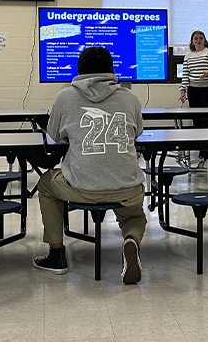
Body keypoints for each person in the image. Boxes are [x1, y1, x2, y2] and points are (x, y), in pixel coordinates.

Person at [34, 47, 147, 284]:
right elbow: (136, 132)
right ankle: (131, 240)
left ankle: (56, 255)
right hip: (127, 187)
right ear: (111, 69)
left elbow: (54, 134)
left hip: (81, 188)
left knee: (45, 184)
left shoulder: (65, 96)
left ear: (79, 70)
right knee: (134, 217)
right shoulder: (130, 97)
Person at [178, 30, 208, 164]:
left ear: (204, 40)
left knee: (207, 121)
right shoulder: (188, 55)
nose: (198, 40)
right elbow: (185, 74)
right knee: (197, 122)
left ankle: (207, 153)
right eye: (196, 38)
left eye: (201, 38)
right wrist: (183, 90)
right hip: (194, 90)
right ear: (192, 41)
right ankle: (201, 151)